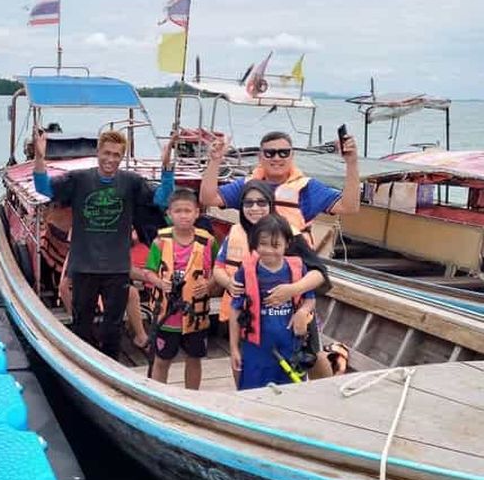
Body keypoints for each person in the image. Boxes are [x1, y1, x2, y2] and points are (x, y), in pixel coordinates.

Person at [33, 128, 174, 359]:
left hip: (117, 269)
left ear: (122, 157)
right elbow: (43, 188)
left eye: (116, 155)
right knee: (82, 325)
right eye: (106, 153)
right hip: (84, 266)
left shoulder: (131, 182)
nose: (110, 159)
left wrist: (167, 166)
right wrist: (40, 158)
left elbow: (162, 198)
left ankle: (111, 364)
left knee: (113, 328)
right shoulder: (78, 179)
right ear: (98, 152)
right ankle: (84, 364)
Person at [212, 181, 331, 383]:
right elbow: (219, 267)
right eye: (248, 203)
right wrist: (228, 283)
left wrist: (293, 291)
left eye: (261, 202)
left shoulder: (289, 234)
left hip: (292, 320)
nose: (255, 208)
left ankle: (322, 397)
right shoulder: (237, 232)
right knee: (247, 369)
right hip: (251, 323)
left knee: (312, 358)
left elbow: (320, 272)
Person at [199, 130, 360, 247]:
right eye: (270, 153)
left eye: (283, 153)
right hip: (252, 263)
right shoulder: (247, 184)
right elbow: (208, 198)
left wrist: (351, 163)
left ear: (292, 156)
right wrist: (215, 161)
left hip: (291, 265)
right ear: (260, 157)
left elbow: (349, 207)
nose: (277, 158)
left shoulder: (307, 187)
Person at [229, 214, 319, 390]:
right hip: (256, 349)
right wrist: (234, 348)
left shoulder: (298, 268)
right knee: (253, 393)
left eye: (276, 245)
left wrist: (302, 313)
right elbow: (235, 310)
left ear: (287, 244)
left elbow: (310, 300)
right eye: (263, 244)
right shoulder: (246, 271)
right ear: (255, 243)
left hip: (290, 346)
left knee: (290, 392)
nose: (269, 250)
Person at [138, 188, 217, 390]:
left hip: (195, 314)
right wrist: (159, 283)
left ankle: (192, 396)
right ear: (169, 214)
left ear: (197, 213)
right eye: (178, 211)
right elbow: (148, 271)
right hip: (167, 314)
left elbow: (220, 269)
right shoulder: (160, 242)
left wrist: (208, 285)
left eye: (188, 211)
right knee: (162, 359)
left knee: (194, 358)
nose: (183, 215)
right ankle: (159, 394)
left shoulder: (208, 242)